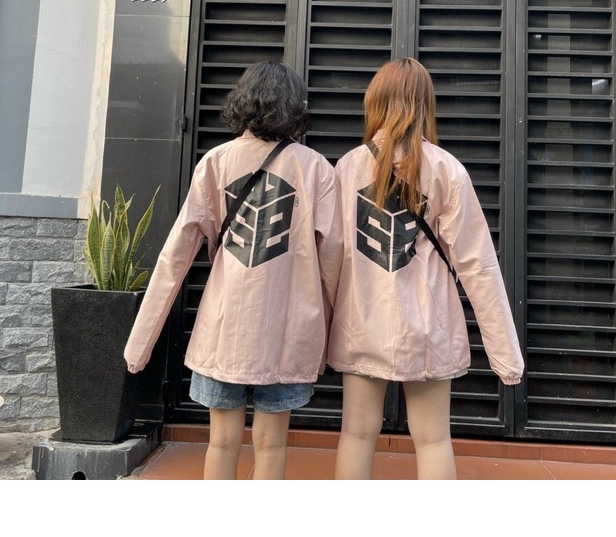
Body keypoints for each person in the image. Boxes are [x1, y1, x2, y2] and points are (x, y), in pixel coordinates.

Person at [124, 61, 340, 480]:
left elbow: (175, 256)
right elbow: (333, 264)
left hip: (225, 330)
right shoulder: (316, 168)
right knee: (273, 444)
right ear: (296, 107)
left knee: (222, 442)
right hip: (288, 331)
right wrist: (327, 337)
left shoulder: (216, 162)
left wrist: (139, 344)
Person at [327, 58, 524, 479]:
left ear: (375, 102)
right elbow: (478, 266)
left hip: (361, 322)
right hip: (429, 326)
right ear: (425, 104)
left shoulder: (347, 167)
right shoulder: (447, 169)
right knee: (433, 439)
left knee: (356, 434)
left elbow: (331, 257)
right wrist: (506, 357)